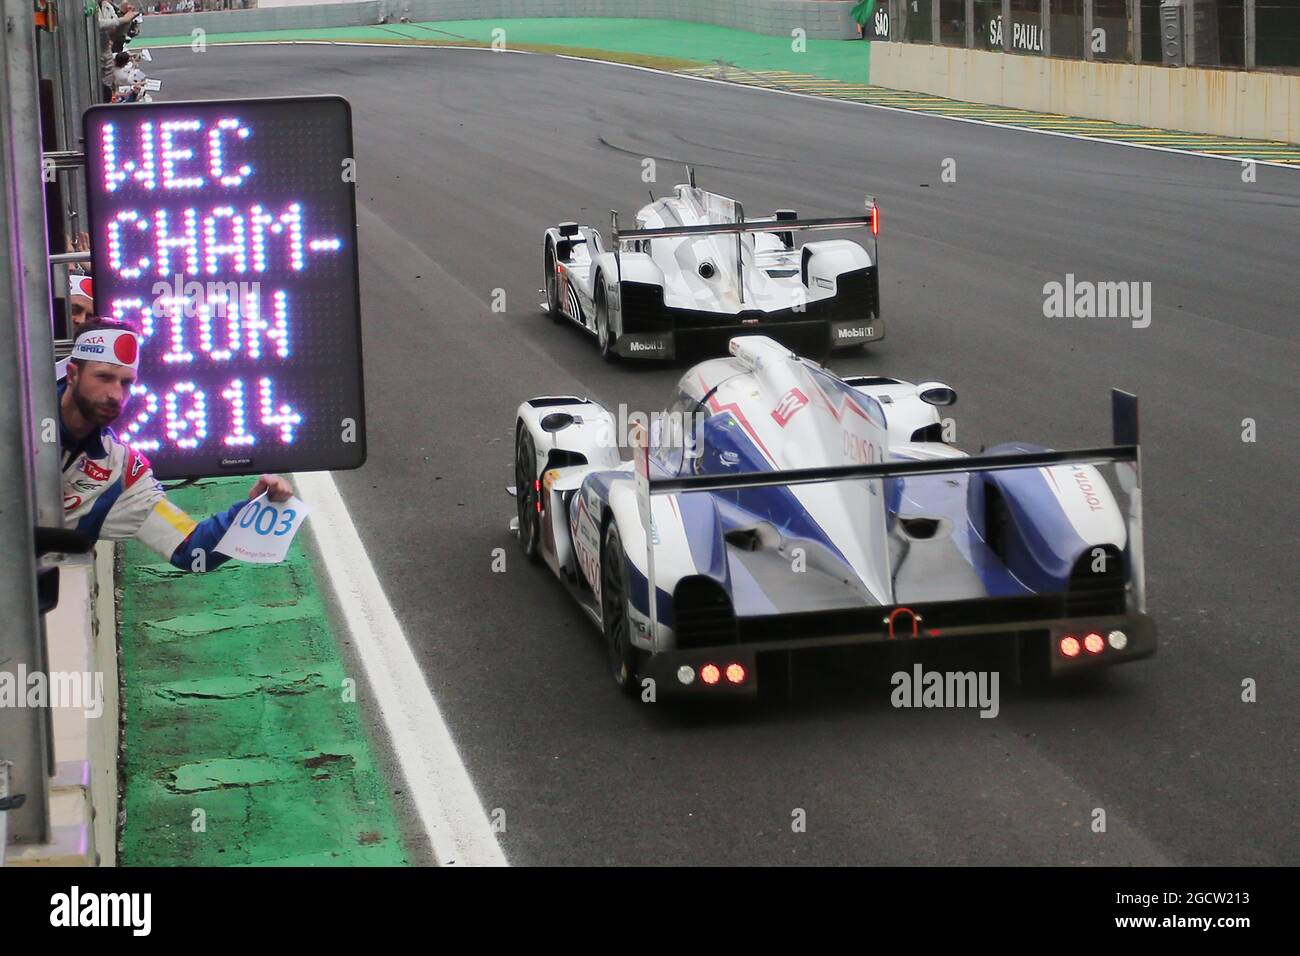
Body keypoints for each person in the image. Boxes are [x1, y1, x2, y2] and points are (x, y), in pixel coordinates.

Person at [60, 319, 293, 572]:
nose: (116, 394)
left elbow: (192, 552)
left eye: (126, 383)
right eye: (103, 377)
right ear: (72, 374)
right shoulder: (17, 419)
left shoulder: (120, 471)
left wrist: (251, 510)